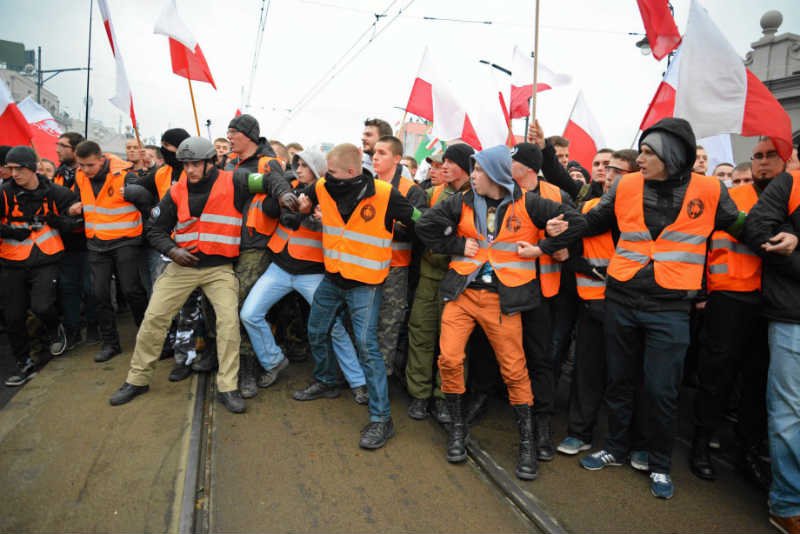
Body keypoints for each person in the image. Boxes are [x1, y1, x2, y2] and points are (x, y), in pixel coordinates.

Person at [578, 118, 742, 500]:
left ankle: (658, 463)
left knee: (662, 390)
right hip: (622, 299)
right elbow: (593, 221)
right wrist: (558, 226)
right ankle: (616, 448)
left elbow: (741, 225)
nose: (641, 158)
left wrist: (778, 235)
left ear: (671, 155)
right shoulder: (625, 184)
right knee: (619, 380)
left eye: (649, 152)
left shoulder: (711, 189)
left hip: (670, 308)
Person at [416, 144, 585, 480]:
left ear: (493, 174)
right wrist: (454, 245)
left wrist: (543, 247)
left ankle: (526, 442)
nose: (472, 176)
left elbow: (578, 221)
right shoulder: (460, 201)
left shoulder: (530, 203)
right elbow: (425, 228)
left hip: (501, 300)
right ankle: (457, 430)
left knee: (514, 369)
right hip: (462, 294)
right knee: (449, 359)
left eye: (477, 171)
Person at [108, 136, 294, 413]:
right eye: (186, 164)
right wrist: (173, 251)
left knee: (228, 323)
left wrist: (283, 194)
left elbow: (268, 180)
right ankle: (137, 379)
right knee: (153, 318)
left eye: (195, 164)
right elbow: (155, 230)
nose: (190, 170)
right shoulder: (176, 191)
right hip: (182, 267)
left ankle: (228, 386)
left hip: (219, 269)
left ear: (210, 162)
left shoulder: (235, 180)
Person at [294, 143, 421, 450]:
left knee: (368, 348)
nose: (326, 177)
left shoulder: (385, 193)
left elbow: (420, 219)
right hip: (333, 278)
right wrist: (301, 201)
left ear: (351, 172)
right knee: (316, 329)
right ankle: (327, 380)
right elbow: (307, 197)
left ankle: (382, 419)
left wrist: (445, 234)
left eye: (333, 172)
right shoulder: (323, 184)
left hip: (366, 285)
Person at [240, 149, 367, 400]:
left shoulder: (333, 197)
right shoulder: (288, 187)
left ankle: (358, 381)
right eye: (297, 164)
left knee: (334, 327)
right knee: (249, 314)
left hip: (312, 273)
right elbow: (270, 209)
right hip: (279, 268)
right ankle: (273, 361)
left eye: (304, 166)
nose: (298, 169)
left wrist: (321, 220)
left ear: (319, 171)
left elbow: (344, 233)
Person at [690, 139, 775, 489]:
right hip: (729, 299)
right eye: (758, 156)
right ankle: (700, 446)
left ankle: (746, 452)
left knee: (756, 382)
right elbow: (702, 245)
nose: (763, 163)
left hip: (771, 303)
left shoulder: (788, 202)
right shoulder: (733, 198)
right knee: (716, 375)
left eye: (771, 156)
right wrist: (704, 291)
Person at [556, 149, 642, 458]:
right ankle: (580, 433)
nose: (607, 175)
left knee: (627, 377)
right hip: (592, 304)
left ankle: (630, 442)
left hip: (632, 308)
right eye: (606, 169)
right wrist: (587, 268)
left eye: (617, 171)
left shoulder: (645, 213)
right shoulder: (589, 208)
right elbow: (569, 254)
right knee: (586, 372)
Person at [742, 143, 800, 533]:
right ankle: (787, 503)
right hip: (793, 317)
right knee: (790, 412)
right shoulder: (790, 185)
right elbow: (757, 230)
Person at [1, 146, 80, 385]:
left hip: (46, 259)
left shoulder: (53, 192)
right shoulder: (4, 194)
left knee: (42, 306)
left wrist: (61, 219)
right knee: (13, 317)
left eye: (19, 169)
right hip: (12, 261)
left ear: (33, 169)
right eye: (10, 168)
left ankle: (56, 329)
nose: (14, 174)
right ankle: (24, 363)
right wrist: (13, 230)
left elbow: (76, 215)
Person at [406, 143, 473, 422]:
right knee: (421, 334)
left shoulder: (479, 200)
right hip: (430, 277)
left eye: (450, 162)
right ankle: (419, 396)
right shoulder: (431, 194)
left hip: (460, 282)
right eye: (441, 162)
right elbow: (420, 230)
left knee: (454, 346)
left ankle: (445, 397)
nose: (443, 167)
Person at [224, 114, 288, 398]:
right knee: (225, 304)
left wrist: (283, 197)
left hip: (256, 245)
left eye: (233, 133)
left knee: (241, 305)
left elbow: (277, 183)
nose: (229, 138)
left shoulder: (266, 162)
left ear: (248, 135)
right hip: (228, 243)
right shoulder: (229, 163)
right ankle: (226, 359)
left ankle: (248, 368)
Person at [72, 140, 150, 363]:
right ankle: (110, 343)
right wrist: (76, 206)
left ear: (101, 159)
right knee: (99, 293)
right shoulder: (80, 176)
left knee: (131, 290)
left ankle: (147, 339)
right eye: (82, 165)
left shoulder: (125, 176)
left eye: (90, 165)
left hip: (125, 241)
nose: (85, 170)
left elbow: (145, 204)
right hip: (97, 243)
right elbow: (85, 200)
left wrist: (145, 236)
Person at [372, 136, 427, 376]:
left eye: (382, 153)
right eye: (374, 152)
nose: (375, 157)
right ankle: (361, 374)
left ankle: (381, 374)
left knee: (389, 324)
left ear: (397, 158)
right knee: (364, 323)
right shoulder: (366, 185)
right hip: (365, 266)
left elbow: (419, 228)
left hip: (395, 267)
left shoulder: (411, 191)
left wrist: (386, 226)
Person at [53, 132, 98, 348]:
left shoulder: (88, 173)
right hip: (66, 242)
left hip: (89, 240)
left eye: (62, 145)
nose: (57, 149)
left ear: (76, 149)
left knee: (92, 288)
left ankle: (94, 327)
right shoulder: (57, 175)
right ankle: (72, 332)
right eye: (57, 145)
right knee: (68, 288)